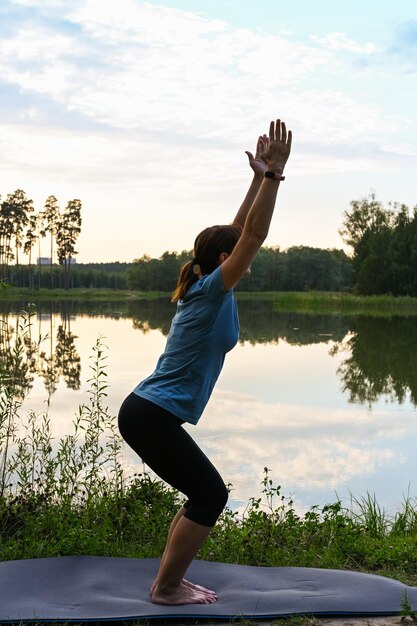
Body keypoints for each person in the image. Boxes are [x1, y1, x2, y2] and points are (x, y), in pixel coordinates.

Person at [118, 118, 292, 606]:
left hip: (149, 413)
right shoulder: (213, 290)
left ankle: (169, 580)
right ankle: (166, 588)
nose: (244, 252)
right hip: (149, 415)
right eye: (234, 252)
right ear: (223, 259)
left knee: (201, 493)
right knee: (210, 495)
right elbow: (252, 233)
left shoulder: (209, 283)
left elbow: (238, 231)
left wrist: (256, 178)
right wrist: (275, 177)